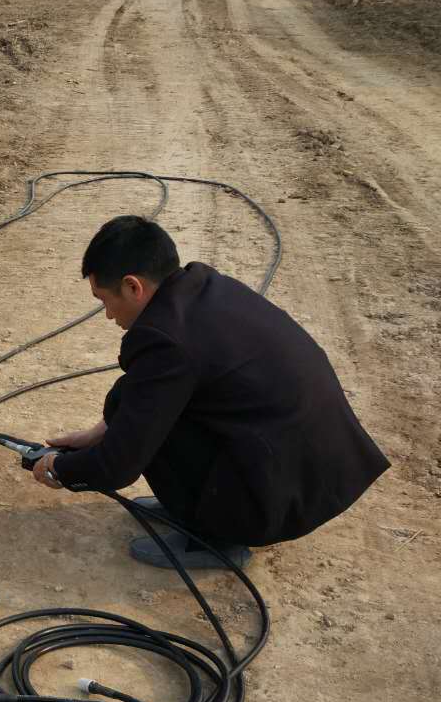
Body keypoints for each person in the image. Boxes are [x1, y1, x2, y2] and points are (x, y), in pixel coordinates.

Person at [31, 215, 389, 570]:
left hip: (280, 497)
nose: (108, 315)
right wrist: (100, 431)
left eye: (104, 300)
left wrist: (60, 468)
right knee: (133, 399)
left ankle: (213, 537)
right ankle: (194, 507)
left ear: (132, 287)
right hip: (308, 470)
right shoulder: (201, 288)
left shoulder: (166, 338)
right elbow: (139, 391)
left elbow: (118, 466)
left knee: (153, 428)